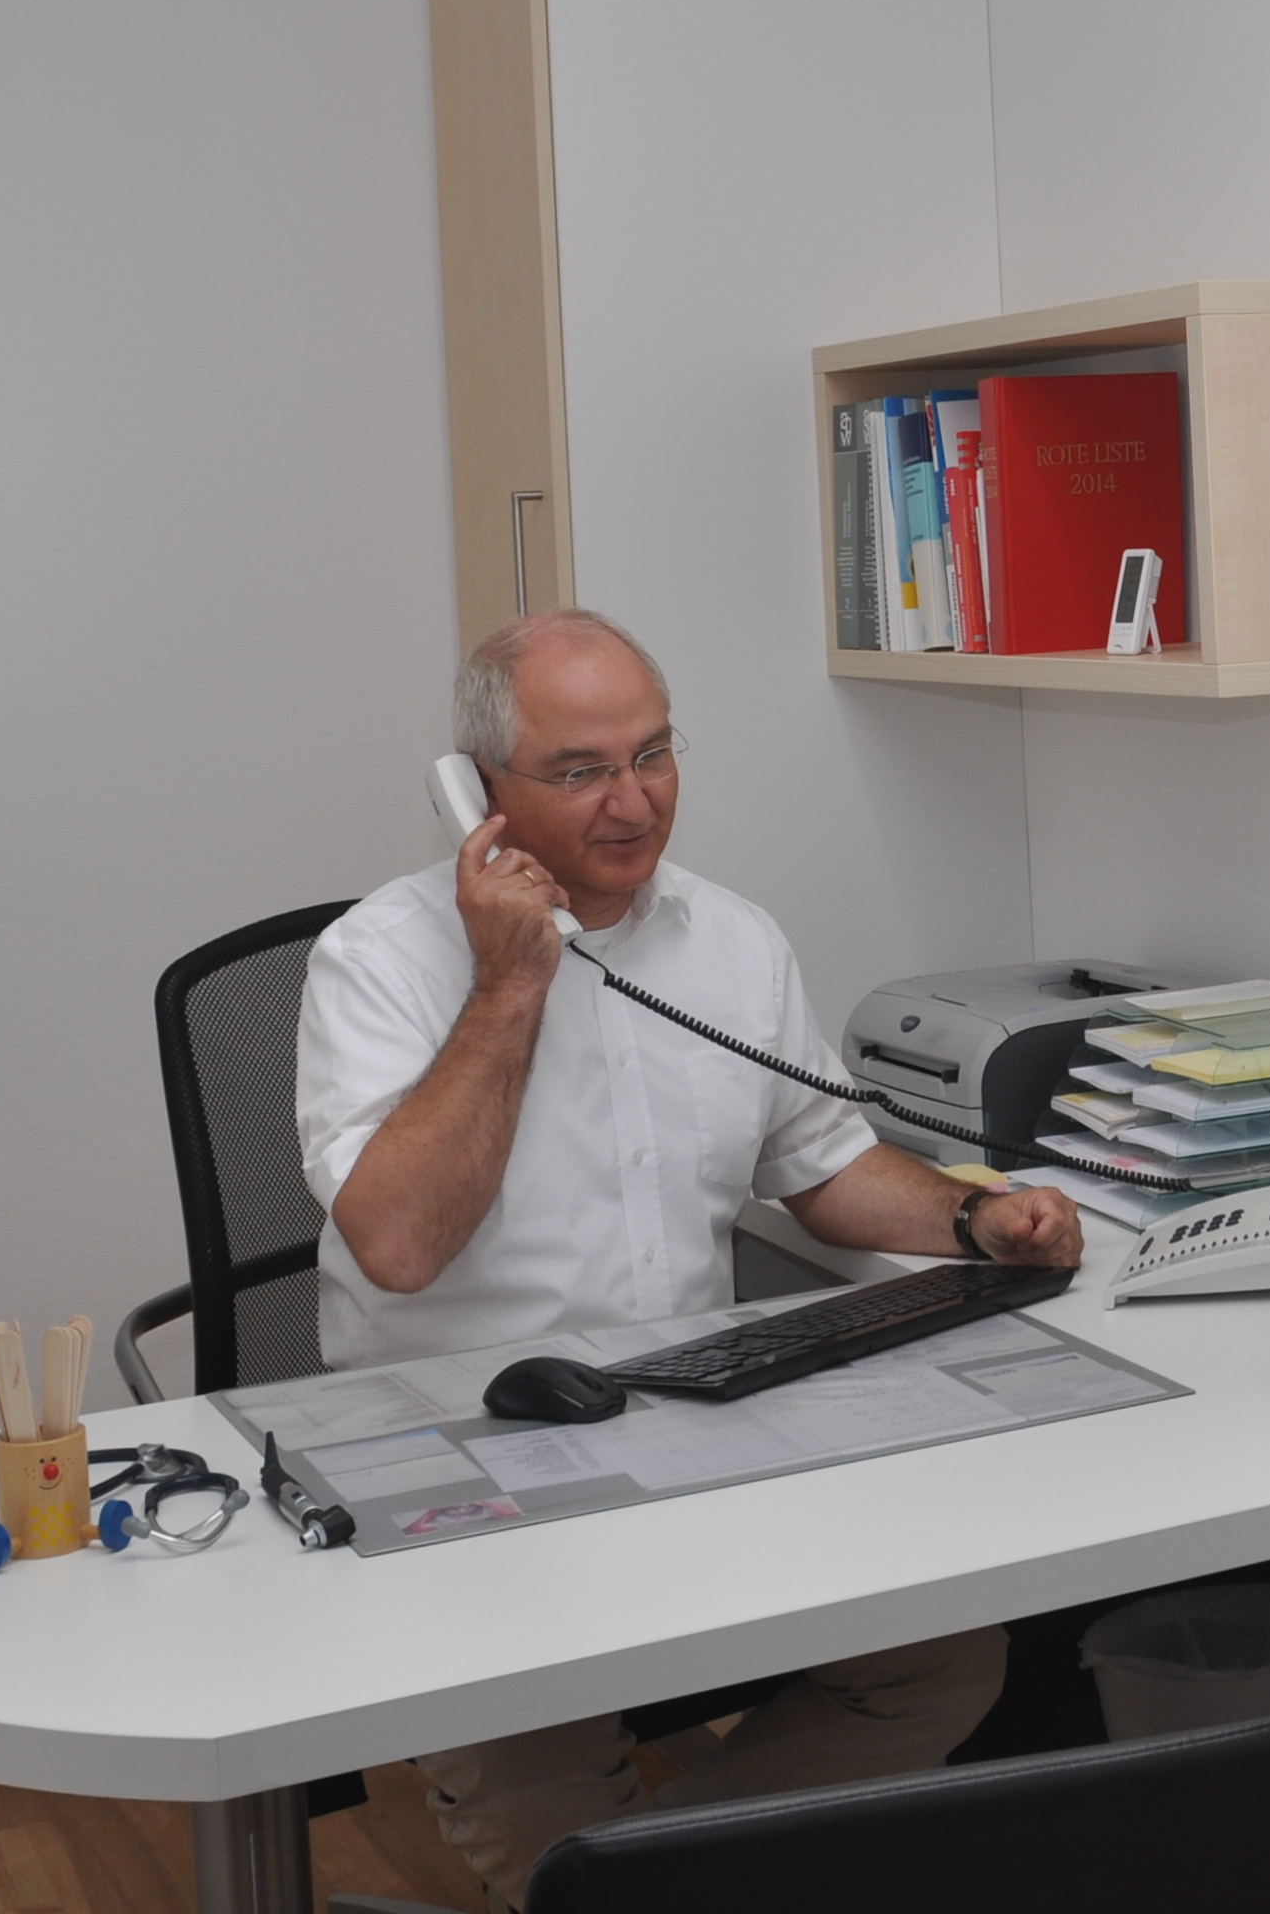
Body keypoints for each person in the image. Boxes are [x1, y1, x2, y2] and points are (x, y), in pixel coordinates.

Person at [296, 605, 1080, 1904]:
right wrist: (510, 983)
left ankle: (644, 1885)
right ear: (478, 792)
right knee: (548, 1820)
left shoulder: (732, 939)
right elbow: (399, 1244)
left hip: (698, 1432)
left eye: (653, 754)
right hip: (462, 1471)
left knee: (943, 1664)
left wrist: (967, 1218)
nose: (634, 800)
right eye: (580, 770)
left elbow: (820, 1162)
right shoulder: (378, 962)